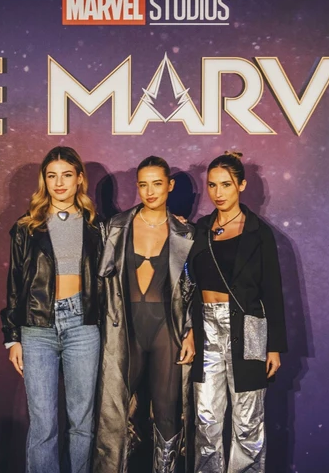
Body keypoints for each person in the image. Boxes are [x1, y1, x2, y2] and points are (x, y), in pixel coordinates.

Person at [0, 146, 104, 473]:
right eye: (52, 176)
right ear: (44, 180)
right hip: (37, 327)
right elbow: (15, 283)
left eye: (67, 175)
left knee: (82, 421)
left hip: (83, 325)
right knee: (43, 423)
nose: (59, 183)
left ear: (79, 179)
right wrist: (12, 337)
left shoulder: (97, 226)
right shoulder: (26, 227)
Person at [94, 156, 196, 473]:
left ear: (170, 185)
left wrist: (191, 330)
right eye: (143, 184)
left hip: (167, 331)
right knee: (114, 413)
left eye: (157, 183)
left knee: (167, 411)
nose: (150, 192)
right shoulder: (115, 227)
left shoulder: (185, 232)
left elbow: (193, 289)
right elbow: (99, 282)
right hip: (125, 330)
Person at [187, 151, 287, 472]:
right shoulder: (200, 229)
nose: (218, 193)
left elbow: (272, 290)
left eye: (226, 185)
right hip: (206, 326)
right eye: (212, 185)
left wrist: (274, 346)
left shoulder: (259, 232)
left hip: (249, 328)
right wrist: (188, 330)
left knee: (248, 421)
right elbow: (186, 283)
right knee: (206, 419)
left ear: (241, 185)